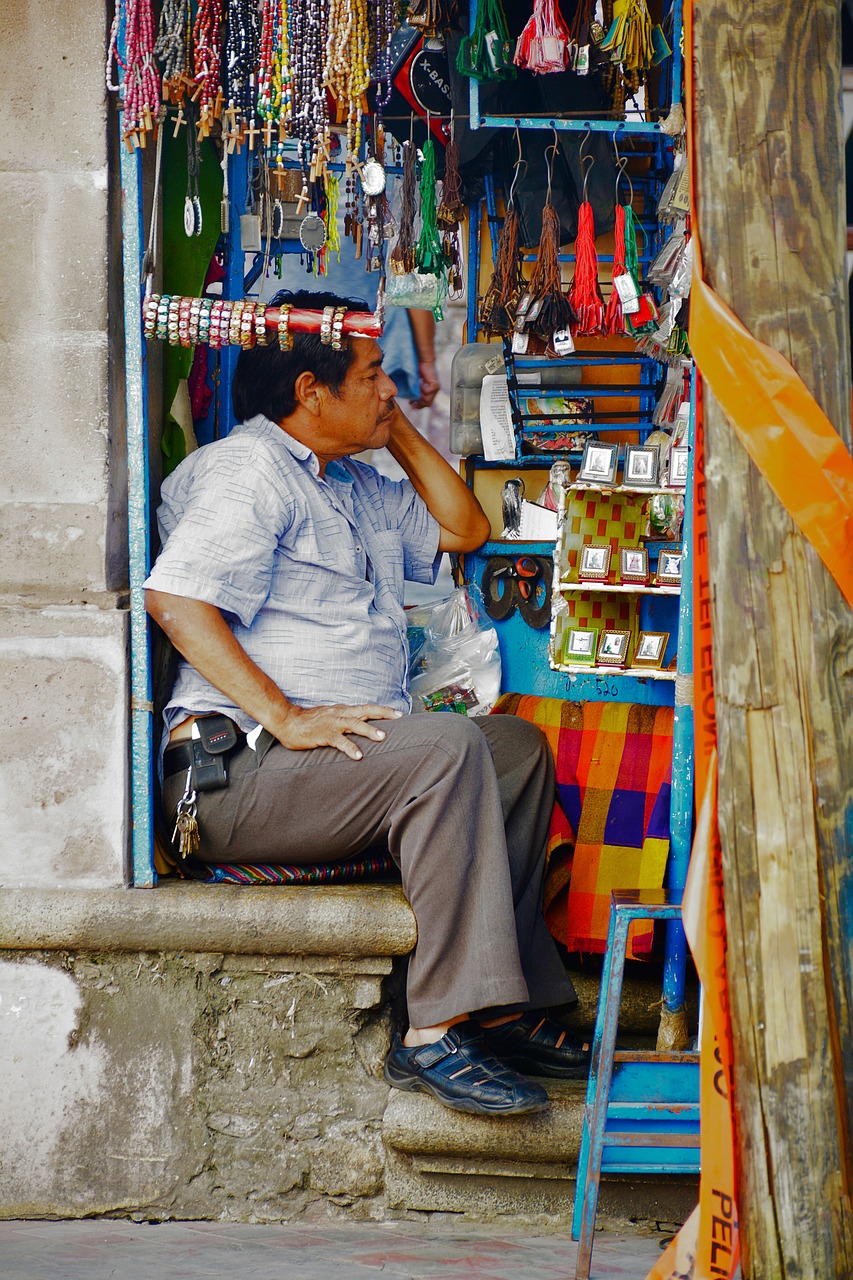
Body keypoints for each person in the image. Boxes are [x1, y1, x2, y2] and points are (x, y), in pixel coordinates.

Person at [145, 289, 588, 1118]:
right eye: (374, 375)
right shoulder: (249, 473)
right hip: (239, 776)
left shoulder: (349, 479)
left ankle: (499, 1003)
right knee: (447, 750)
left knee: (513, 750)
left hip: (327, 763)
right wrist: (282, 714)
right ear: (311, 392)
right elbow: (176, 600)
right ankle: (433, 1030)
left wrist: (396, 428)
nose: (392, 388)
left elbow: (463, 532)